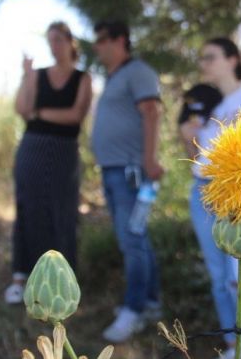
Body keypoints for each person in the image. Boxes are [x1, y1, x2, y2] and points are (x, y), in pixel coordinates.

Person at [179, 37, 241, 359]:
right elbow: (196, 161)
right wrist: (187, 140)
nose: (204, 64)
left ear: (233, 60)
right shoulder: (211, 107)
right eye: (202, 58)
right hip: (203, 190)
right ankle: (234, 346)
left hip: (237, 194)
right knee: (219, 277)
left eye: (211, 57)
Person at [5, 21, 92, 304]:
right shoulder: (38, 75)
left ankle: (61, 280)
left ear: (70, 42)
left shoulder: (83, 78)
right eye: (50, 40)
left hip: (65, 151)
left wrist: (40, 113)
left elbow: (75, 115)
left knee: (63, 211)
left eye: (58, 39)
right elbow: (22, 109)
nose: (54, 45)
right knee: (28, 207)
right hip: (33, 148)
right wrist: (26, 76)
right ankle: (21, 275)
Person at [90, 20, 164, 343]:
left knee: (131, 240)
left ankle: (133, 310)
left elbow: (151, 112)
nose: (97, 46)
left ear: (121, 40)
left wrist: (149, 160)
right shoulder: (114, 77)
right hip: (113, 170)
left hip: (131, 172)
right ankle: (150, 303)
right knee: (136, 239)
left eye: (103, 39)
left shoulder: (138, 71)